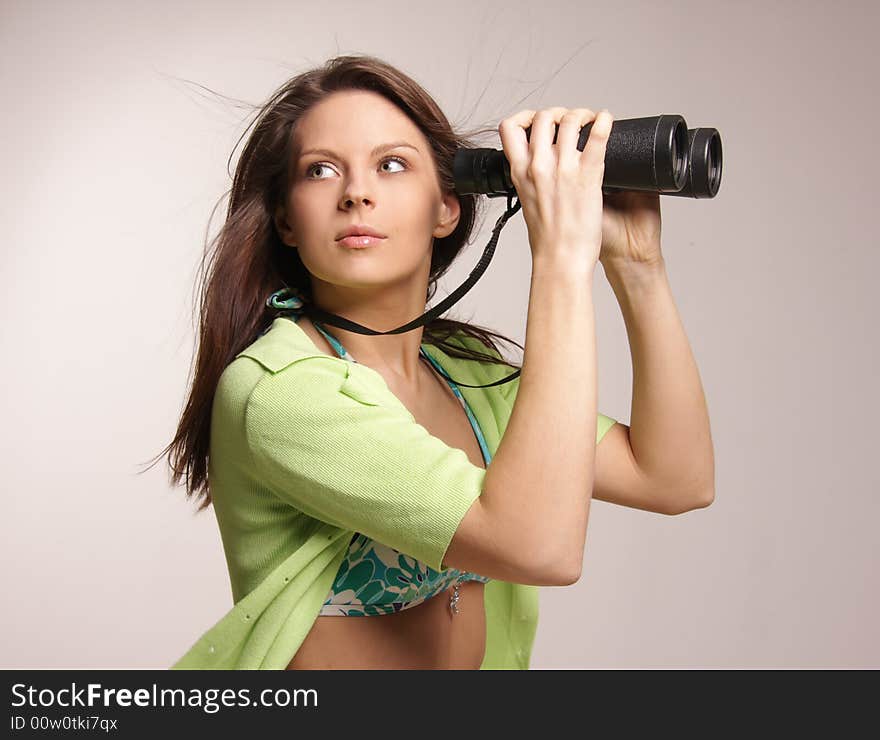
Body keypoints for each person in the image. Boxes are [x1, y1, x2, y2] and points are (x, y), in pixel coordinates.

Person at [159, 54, 715, 670]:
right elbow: (539, 548)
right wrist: (560, 258)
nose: (356, 193)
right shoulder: (281, 390)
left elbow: (674, 478)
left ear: (446, 206)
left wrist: (638, 267)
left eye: (391, 164)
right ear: (288, 219)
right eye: (321, 171)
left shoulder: (463, 373)